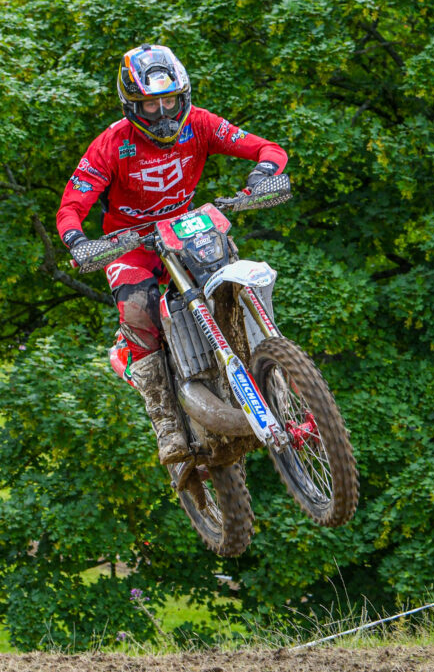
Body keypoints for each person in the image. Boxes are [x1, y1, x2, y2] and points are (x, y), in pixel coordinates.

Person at [55, 44, 289, 464]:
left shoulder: (199, 124)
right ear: (131, 106)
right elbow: (72, 205)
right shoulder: (111, 144)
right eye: (150, 105)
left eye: (169, 101)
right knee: (138, 311)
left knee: (232, 273)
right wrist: (78, 242)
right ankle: (166, 420)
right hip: (131, 244)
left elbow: (267, 148)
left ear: (184, 96)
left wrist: (263, 175)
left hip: (186, 231)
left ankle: (279, 365)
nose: (163, 114)